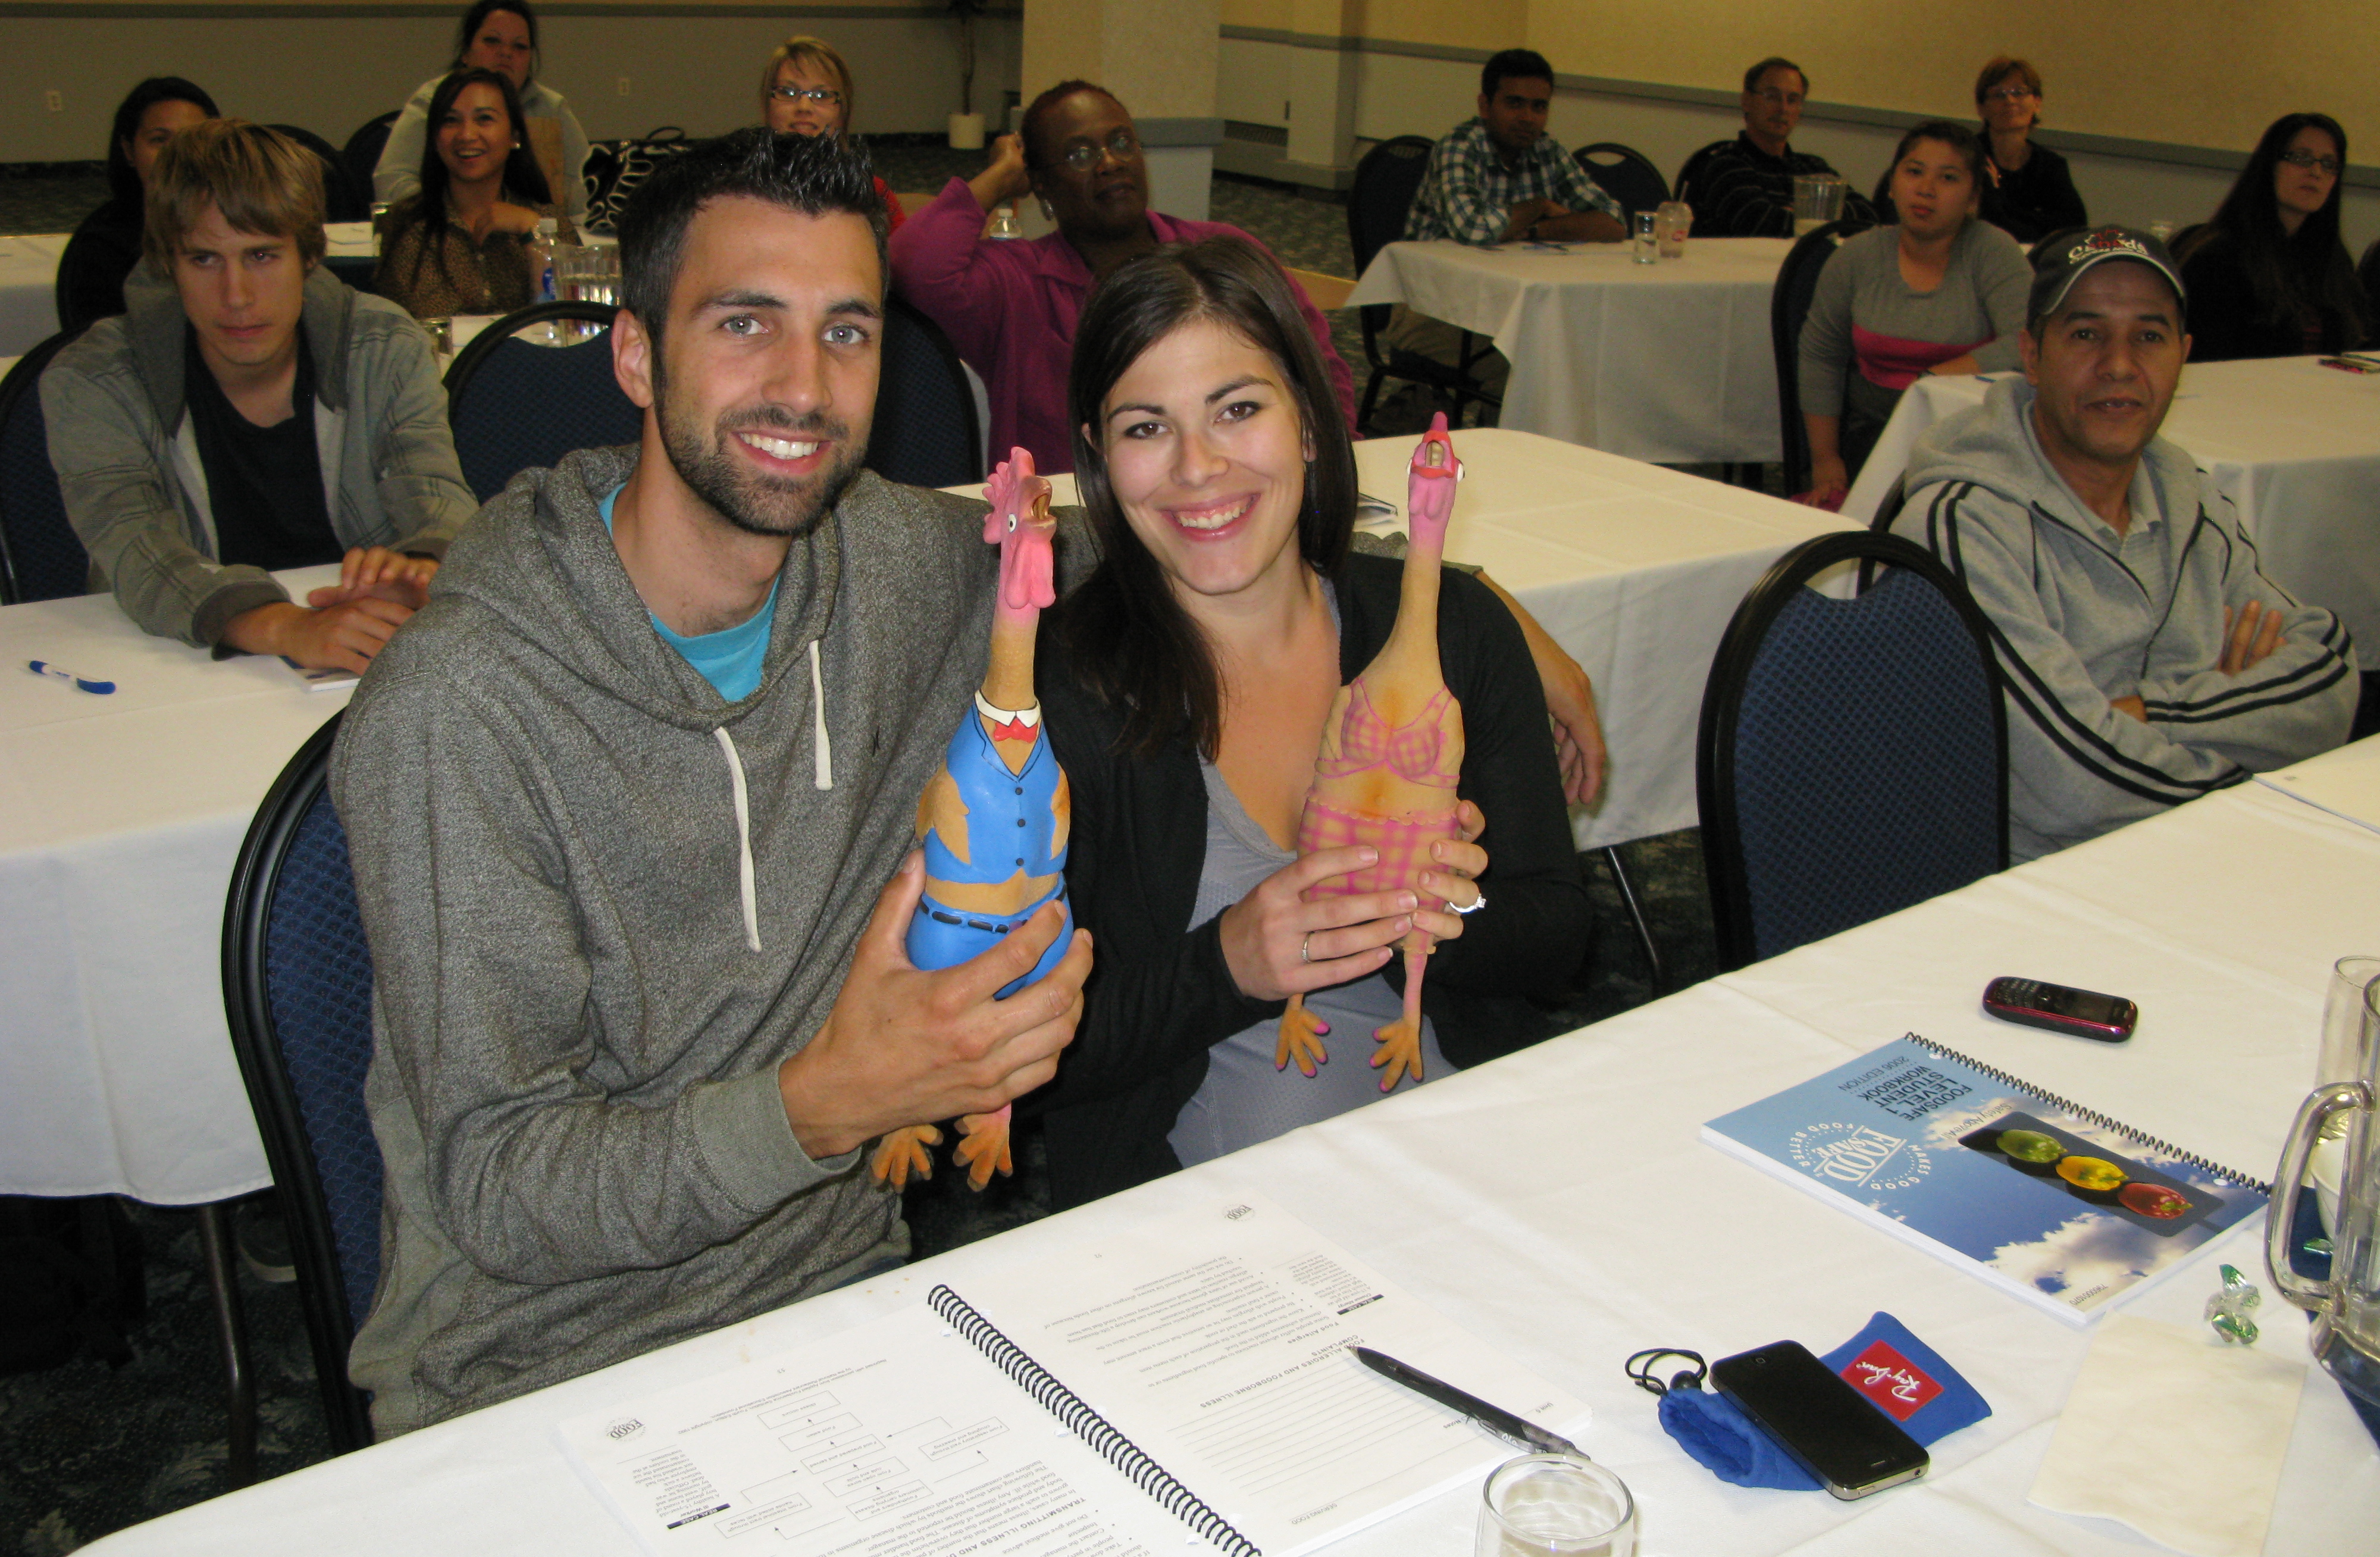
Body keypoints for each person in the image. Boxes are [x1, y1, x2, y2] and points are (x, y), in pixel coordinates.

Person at [329, 130, 1096, 1435]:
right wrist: (831, 1103)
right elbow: (500, 1183)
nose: (803, 386)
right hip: (541, 1365)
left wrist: (1436, 591)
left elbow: (1150, 535)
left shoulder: (898, 568)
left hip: (840, 1297)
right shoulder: (462, 708)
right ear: (636, 355)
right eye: (746, 324)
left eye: (846, 332)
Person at [1029, 237, 1592, 1211]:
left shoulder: (1456, 633)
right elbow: (1031, 1064)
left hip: (1474, 1169)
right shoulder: (1069, 697)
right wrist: (1228, 964)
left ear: (1307, 423)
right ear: (1101, 459)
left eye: (1238, 410)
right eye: (1147, 427)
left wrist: (1448, 911)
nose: (1199, 467)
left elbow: (1564, 946)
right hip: (1221, 1219)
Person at [1894, 226, 2356, 861]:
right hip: (2032, 885)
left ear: (2182, 356)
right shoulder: (1961, 525)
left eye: (2149, 337)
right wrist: (2248, 735)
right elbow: (2074, 789)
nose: (2119, 365)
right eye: (2086, 334)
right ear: (2031, 355)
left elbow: (2331, 678)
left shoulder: (2185, 494)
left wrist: (2148, 713)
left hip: (2205, 855)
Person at [42, 118, 473, 672]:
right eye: (204, 259)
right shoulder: (94, 379)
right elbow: (136, 547)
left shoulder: (385, 345)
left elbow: (433, 488)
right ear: (168, 264)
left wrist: (423, 567)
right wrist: (284, 626)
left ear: (309, 256)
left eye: (262, 256)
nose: (237, 296)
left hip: (364, 654)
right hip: (174, 662)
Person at [888, 79, 1357, 471]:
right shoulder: (1017, 282)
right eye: (1080, 155)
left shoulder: (1219, 253)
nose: (1109, 163)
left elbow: (1316, 365)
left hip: (1212, 489)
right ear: (1041, 186)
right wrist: (1001, 176)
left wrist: (1333, 466)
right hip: (1067, 523)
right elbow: (911, 264)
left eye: (1120, 144)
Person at [1797, 120, 2030, 508]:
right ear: (1892, 183)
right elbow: (1820, 356)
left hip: (1970, 448)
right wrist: (1825, 460)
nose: (1926, 189)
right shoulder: (1857, 256)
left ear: (1973, 197)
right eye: (1914, 172)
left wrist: (1933, 381)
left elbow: (2029, 344)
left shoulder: (1993, 252)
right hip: (1868, 441)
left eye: (1948, 178)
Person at [1385, 48, 1624, 387]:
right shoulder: (1459, 148)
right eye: (1515, 104)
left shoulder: (1548, 151)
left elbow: (1612, 223)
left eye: (1539, 107)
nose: (1528, 117)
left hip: (1508, 310)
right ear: (1485, 106)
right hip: (1432, 313)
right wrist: (1539, 205)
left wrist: (1535, 229)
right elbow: (1473, 228)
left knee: (1587, 355)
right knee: (1540, 367)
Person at [372, 0, 590, 221]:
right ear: (466, 52)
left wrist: (536, 222)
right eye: (492, 41)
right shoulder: (434, 100)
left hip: (533, 230)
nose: (506, 53)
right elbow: (392, 180)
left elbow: (588, 189)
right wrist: (460, 215)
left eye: (519, 46)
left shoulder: (551, 108)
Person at [374, 67, 568, 320]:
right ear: (434, 138)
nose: (466, 135)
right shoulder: (408, 227)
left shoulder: (549, 220)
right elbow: (430, 321)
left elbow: (568, 318)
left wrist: (534, 233)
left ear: (514, 135)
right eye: (450, 121)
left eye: (484, 119)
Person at [2175, 112, 2369, 362]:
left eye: (2329, 164)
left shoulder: (2333, 259)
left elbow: (2351, 344)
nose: (2316, 172)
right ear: (2270, 166)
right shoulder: (2218, 255)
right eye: (2301, 158)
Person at [54, 76, 219, 334]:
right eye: (159, 140)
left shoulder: (241, 226)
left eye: (194, 139)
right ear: (129, 151)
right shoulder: (101, 248)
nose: (177, 154)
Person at [1675, 57, 1878, 239]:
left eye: (1793, 100)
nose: (1783, 108)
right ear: (1746, 101)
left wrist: (1798, 214)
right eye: (1772, 96)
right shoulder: (1725, 165)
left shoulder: (1814, 168)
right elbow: (1761, 225)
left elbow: (1869, 217)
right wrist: (1823, 214)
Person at [759, 34, 906, 232]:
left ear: (843, 110)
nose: (804, 107)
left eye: (822, 95)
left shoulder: (873, 194)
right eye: (788, 92)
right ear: (767, 104)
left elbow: (904, 250)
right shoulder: (741, 192)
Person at [1971, 56, 2086, 243]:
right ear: (1981, 108)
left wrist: (2001, 205)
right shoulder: (1969, 157)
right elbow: (1988, 224)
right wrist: (2037, 219)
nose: (2010, 100)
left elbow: (2074, 227)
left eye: (2019, 92)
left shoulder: (2050, 165)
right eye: (1998, 94)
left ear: (2037, 103)